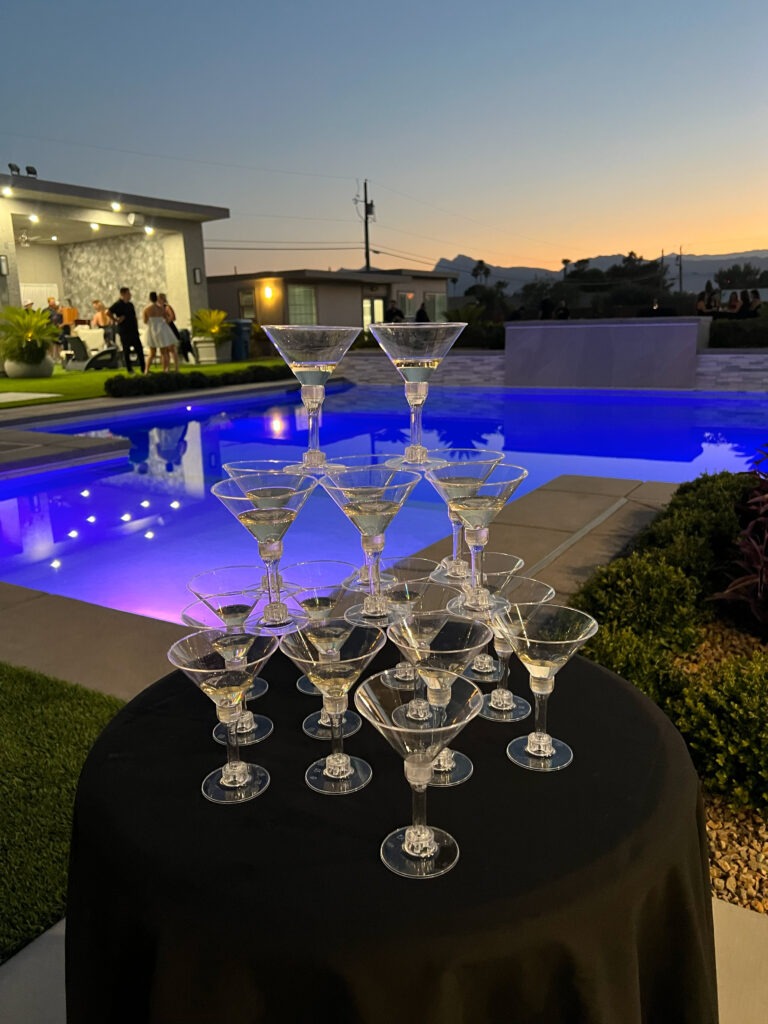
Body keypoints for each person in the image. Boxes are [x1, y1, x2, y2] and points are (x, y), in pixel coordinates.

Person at [109, 287, 146, 373]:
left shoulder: (130, 305)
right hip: (124, 331)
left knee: (139, 349)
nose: (130, 295)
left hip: (133, 330)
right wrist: (116, 320)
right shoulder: (118, 304)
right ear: (123, 294)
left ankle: (143, 368)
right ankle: (129, 368)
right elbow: (108, 312)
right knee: (126, 350)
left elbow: (134, 317)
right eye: (128, 294)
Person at [142, 291, 177, 373]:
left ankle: (146, 370)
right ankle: (165, 370)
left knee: (152, 352)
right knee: (163, 352)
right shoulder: (161, 308)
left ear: (149, 298)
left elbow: (145, 321)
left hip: (152, 330)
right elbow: (166, 318)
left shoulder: (146, 309)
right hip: (161, 329)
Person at [157, 292, 181, 369]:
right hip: (162, 330)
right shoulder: (157, 309)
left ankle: (176, 367)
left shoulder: (167, 307)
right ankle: (166, 367)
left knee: (172, 349)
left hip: (169, 329)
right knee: (164, 350)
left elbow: (173, 317)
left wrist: (166, 321)